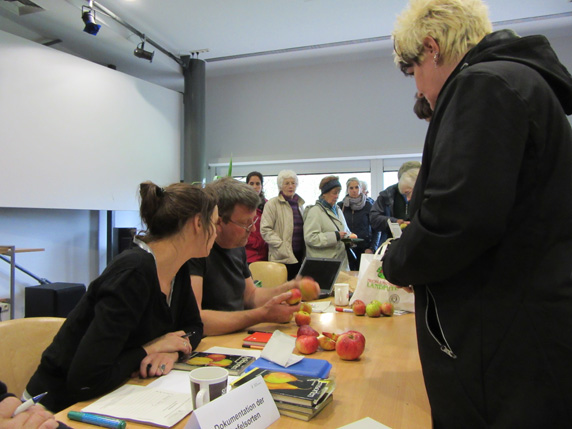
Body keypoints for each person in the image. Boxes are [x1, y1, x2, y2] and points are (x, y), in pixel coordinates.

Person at [383, 0, 572, 427]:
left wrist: (397, 260)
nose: (421, 92)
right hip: (530, 328)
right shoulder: (520, 82)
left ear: (431, 48)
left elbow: (456, 219)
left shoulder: (483, 85)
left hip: (503, 344)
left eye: (414, 73)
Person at [26, 181, 217, 412]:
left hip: (113, 395)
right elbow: (86, 382)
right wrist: (150, 349)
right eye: (214, 223)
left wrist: (173, 351)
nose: (216, 232)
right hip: (54, 408)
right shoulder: (133, 273)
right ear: (198, 223)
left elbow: (194, 325)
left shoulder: (178, 267)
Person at [188, 177, 319, 336]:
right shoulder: (195, 251)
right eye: (245, 224)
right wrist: (262, 315)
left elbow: (250, 296)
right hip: (211, 343)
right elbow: (196, 319)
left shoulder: (236, 246)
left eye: (253, 222)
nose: (253, 231)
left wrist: (288, 287)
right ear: (218, 222)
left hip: (235, 336)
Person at [260, 170, 306, 280]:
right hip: (281, 256)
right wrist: (282, 246)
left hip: (299, 255)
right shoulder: (272, 204)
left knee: (297, 291)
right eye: (287, 183)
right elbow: (265, 230)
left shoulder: (300, 205)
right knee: (283, 291)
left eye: (293, 183)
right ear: (280, 186)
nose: (291, 186)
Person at [303, 175, 352, 271]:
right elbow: (310, 238)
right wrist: (335, 236)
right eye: (334, 193)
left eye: (338, 193)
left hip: (341, 264)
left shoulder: (338, 210)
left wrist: (349, 238)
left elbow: (344, 231)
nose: (337, 196)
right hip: (324, 266)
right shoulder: (315, 211)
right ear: (324, 194)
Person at [337, 177, 380, 270]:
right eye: (351, 188)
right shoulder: (341, 206)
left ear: (361, 189)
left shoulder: (368, 205)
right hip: (347, 248)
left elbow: (377, 229)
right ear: (347, 190)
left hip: (365, 249)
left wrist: (372, 248)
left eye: (356, 187)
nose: (354, 190)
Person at [370, 166, 420, 242]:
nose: (408, 199)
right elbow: (374, 218)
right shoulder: (387, 194)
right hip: (393, 243)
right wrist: (394, 222)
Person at [245, 171, 268, 263]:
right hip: (248, 255)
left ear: (261, 186)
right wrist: (256, 242)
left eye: (258, 184)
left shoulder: (268, 205)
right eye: (251, 183)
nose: (254, 187)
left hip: (264, 255)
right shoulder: (241, 205)